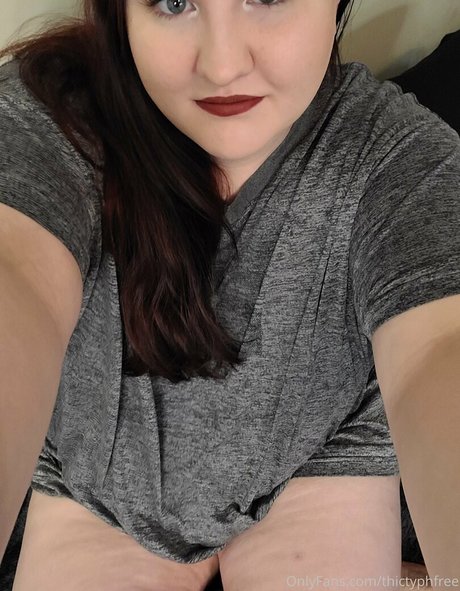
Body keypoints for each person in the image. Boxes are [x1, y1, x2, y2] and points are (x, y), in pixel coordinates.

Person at [0, 0, 459, 589]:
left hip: (318, 457)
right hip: (96, 481)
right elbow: (16, 269)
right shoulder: (48, 125)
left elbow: (438, 345)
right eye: (174, 1)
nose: (221, 66)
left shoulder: (399, 161)